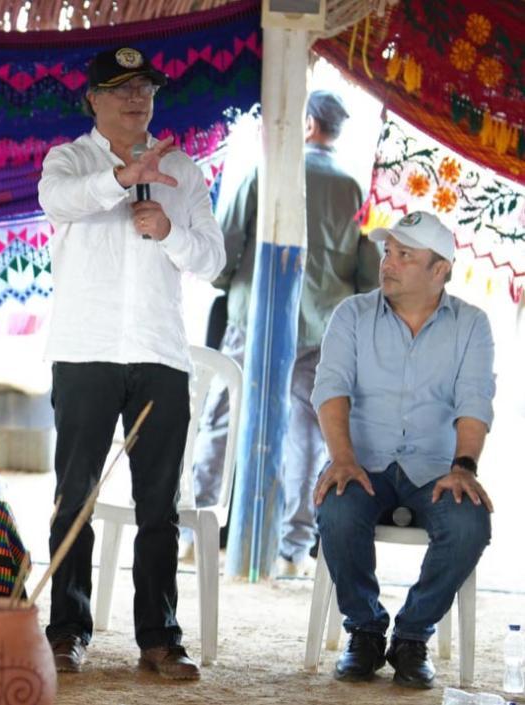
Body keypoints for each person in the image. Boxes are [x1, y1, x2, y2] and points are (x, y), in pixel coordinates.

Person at [37, 46, 225, 678]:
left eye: (144, 87)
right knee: (75, 498)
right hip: (84, 350)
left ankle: (160, 638)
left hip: (158, 353)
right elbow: (60, 202)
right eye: (119, 89)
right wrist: (122, 178)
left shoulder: (183, 171)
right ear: (92, 98)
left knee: (159, 506)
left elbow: (212, 260)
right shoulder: (68, 160)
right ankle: (66, 631)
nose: (135, 98)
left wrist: (167, 229)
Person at [186, 90, 381, 573]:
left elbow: (225, 245)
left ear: (310, 123)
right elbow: (365, 267)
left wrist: (225, 284)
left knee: (220, 422)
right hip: (322, 326)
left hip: (255, 318)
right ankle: (295, 549)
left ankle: (193, 536)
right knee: (309, 434)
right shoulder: (353, 186)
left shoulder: (266, 170)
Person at [313, 211, 494, 689]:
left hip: (436, 469)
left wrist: (464, 467)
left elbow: (474, 401)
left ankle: (412, 636)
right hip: (362, 461)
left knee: (469, 520)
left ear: (440, 271)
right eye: (388, 251)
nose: (387, 263)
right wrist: (342, 458)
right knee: (337, 509)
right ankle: (365, 631)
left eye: (404, 255)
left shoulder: (472, 325)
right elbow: (331, 389)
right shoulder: (350, 315)